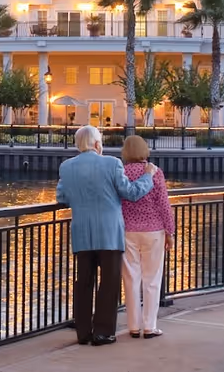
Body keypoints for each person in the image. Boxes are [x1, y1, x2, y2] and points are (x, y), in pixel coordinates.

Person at [56, 125, 158, 346]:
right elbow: (131, 193)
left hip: (82, 232)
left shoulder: (66, 167)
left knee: (83, 282)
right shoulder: (112, 163)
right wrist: (148, 176)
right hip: (110, 233)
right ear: (97, 143)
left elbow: (61, 197)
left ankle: (83, 332)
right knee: (108, 283)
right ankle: (103, 333)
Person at [119, 135, 176, 340]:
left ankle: (133, 326)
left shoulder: (121, 172)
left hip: (127, 231)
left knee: (130, 278)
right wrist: (170, 232)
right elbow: (163, 204)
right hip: (153, 231)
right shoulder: (154, 172)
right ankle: (149, 326)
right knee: (152, 279)